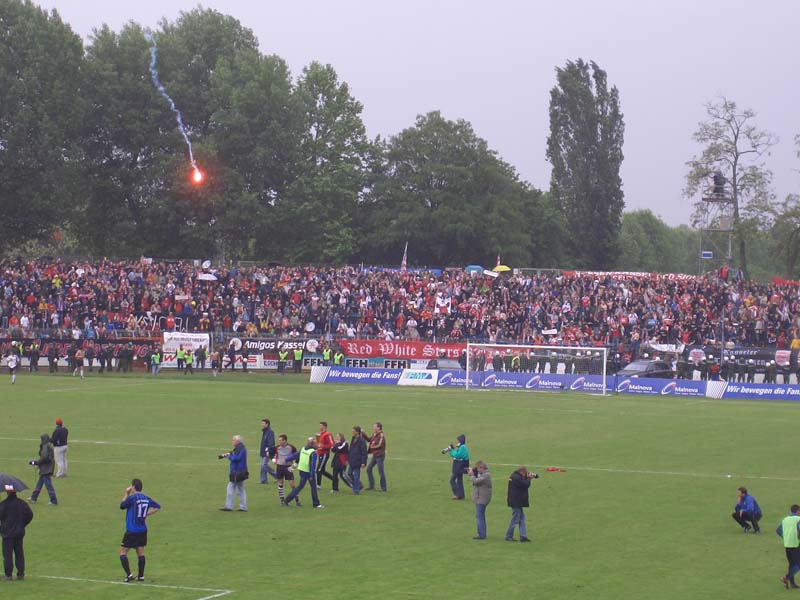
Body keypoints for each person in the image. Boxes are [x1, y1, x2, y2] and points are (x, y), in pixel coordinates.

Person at [119, 478, 161, 582]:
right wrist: (146, 514)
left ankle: (129, 575)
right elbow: (157, 507)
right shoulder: (146, 498)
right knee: (140, 553)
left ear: (133, 487)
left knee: (122, 552)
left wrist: (126, 493)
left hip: (132, 530)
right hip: (142, 530)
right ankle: (141, 576)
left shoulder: (132, 498)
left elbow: (122, 506)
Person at [0, 484, 34, 581]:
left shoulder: (3, 504)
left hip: (7, 533)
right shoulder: (22, 503)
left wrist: (1, 528)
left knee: (7, 555)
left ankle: (8, 575)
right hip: (19, 533)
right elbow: (30, 515)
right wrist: (22, 524)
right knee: (19, 553)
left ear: (7, 492)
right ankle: (20, 574)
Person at [283, 438, 324, 509]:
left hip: (302, 470)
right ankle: (316, 504)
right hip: (309, 472)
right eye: (316, 444)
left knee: (300, 486)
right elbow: (312, 465)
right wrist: (312, 475)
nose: (317, 445)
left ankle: (287, 500)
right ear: (312, 445)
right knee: (313, 487)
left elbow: (295, 455)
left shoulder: (303, 449)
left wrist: (286, 459)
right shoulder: (313, 453)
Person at [505, 466, 538, 542]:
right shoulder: (516, 478)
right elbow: (526, 484)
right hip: (516, 502)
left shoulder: (516, 476)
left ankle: (523, 536)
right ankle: (508, 536)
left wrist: (532, 476)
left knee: (522, 518)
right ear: (522, 472)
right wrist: (529, 478)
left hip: (517, 501)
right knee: (515, 519)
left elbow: (534, 477)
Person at [219, 435, 248, 512]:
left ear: (238, 441)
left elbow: (236, 458)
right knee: (240, 489)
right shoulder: (240, 448)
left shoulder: (240, 449)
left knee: (230, 488)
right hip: (240, 472)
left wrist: (229, 456)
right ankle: (243, 507)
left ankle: (229, 506)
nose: (232, 441)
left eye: (233, 440)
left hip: (237, 472)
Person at [28, 434, 58, 505]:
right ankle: (33, 498)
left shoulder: (45, 446)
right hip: (47, 467)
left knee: (48, 485)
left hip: (46, 468)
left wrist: (36, 462)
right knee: (39, 484)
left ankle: (53, 500)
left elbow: (44, 457)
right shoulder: (48, 445)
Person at [777, 504, 800, 589]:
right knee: (798, 565)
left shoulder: (785, 519)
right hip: (796, 545)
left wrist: (785, 537)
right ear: (798, 511)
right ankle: (786, 578)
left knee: (792, 564)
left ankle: (792, 583)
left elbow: (778, 530)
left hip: (787, 545)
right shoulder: (798, 519)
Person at [468, 461, 492, 540]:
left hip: (482, 499)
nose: (477, 470)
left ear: (482, 468)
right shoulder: (482, 474)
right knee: (480, 516)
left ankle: (481, 534)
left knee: (479, 516)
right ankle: (482, 533)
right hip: (480, 498)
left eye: (478, 468)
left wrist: (471, 475)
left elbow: (476, 481)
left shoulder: (486, 475)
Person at [273, 434, 299, 506]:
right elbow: (270, 452)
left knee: (292, 484)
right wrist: (273, 459)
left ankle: (297, 500)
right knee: (280, 483)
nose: (279, 442)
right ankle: (282, 501)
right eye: (279, 440)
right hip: (279, 467)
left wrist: (294, 465)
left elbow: (297, 455)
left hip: (288, 467)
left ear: (285, 440)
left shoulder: (291, 447)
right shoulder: (277, 447)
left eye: (281, 440)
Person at [366, 422, 387, 492]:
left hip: (380, 456)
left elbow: (380, 445)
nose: (373, 428)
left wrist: (372, 447)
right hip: (375, 456)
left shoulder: (381, 435)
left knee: (381, 471)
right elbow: (369, 439)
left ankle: (383, 487)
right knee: (368, 469)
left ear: (379, 427)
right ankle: (371, 486)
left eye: (375, 427)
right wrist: (363, 434)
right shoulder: (374, 434)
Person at [447, 434, 469, 500]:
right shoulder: (463, 447)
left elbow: (457, 455)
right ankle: (462, 495)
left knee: (452, 480)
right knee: (459, 480)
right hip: (461, 465)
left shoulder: (462, 447)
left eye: (458, 440)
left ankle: (457, 494)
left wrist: (451, 450)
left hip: (459, 466)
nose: (457, 441)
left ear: (460, 440)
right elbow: (458, 453)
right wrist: (453, 449)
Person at [348, 426, 368, 495]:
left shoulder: (362, 440)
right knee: (349, 473)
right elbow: (351, 448)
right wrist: (348, 458)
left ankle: (356, 490)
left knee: (356, 476)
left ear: (357, 432)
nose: (352, 432)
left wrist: (363, 462)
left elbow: (364, 452)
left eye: (353, 431)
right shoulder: (353, 438)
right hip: (352, 459)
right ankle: (359, 484)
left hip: (358, 460)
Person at [315, 421, 334, 488]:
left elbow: (332, 445)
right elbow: (320, 444)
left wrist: (323, 446)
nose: (320, 427)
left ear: (324, 426)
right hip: (320, 454)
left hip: (324, 454)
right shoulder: (320, 434)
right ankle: (334, 479)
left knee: (318, 470)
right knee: (322, 471)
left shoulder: (328, 435)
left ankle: (318, 485)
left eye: (321, 425)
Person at [259, 419, 277, 484]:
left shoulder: (270, 432)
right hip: (263, 452)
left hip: (267, 452)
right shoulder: (265, 431)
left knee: (264, 465)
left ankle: (277, 476)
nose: (262, 424)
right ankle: (263, 480)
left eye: (263, 423)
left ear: (267, 424)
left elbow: (271, 443)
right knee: (263, 466)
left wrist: (268, 450)